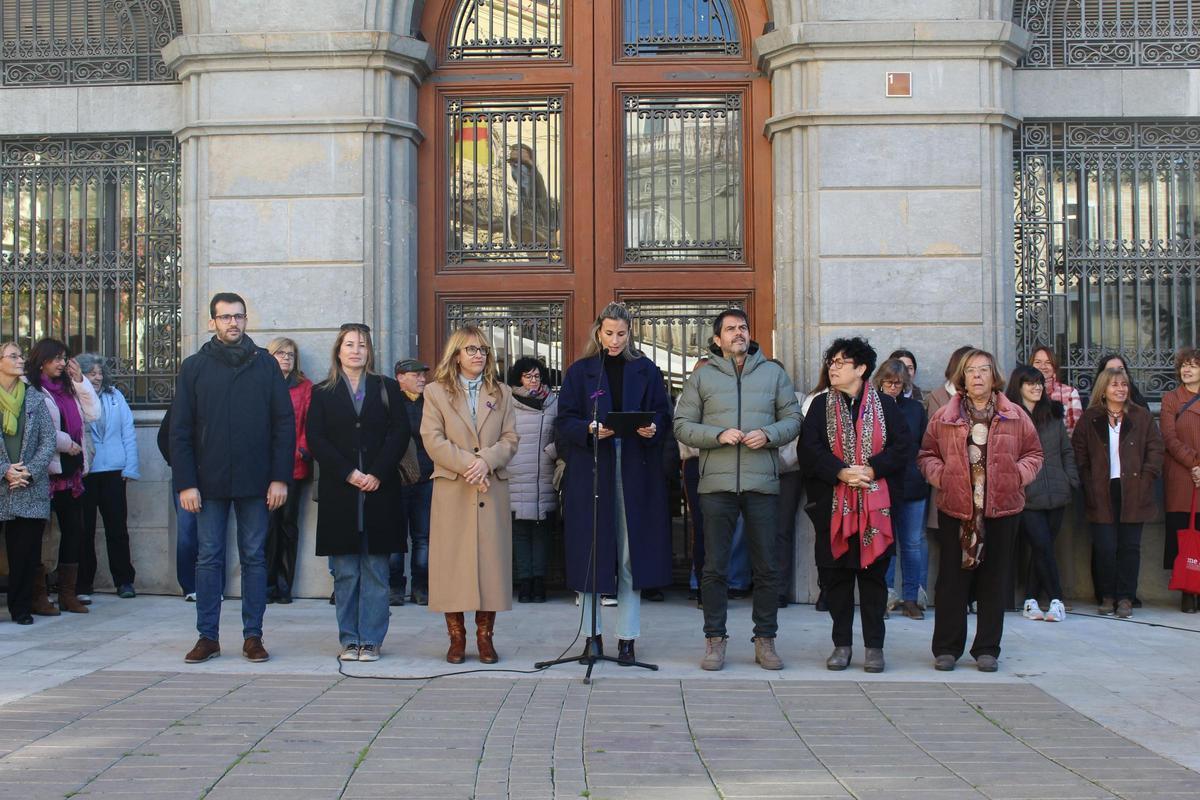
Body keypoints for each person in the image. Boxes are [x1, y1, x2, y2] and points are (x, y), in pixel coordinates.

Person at [171, 293, 295, 664]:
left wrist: (279, 478)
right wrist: (186, 483)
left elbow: (283, 425)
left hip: (257, 483)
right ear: (212, 322)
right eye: (225, 317)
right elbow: (180, 430)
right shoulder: (194, 367)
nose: (233, 323)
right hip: (208, 484)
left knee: (255, 558)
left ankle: (253, 636)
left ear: (246, 320)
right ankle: (207, 637)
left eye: (238, 316)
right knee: (208, 557)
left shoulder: (265, 366)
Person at [675, 308, 802, 671]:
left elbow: (793, 419)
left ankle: (766, 640)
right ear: (717, 339)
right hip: (715, 484)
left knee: (767, 566)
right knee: (714, 567)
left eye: (743, 327)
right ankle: (715, 639)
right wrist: (716, 436)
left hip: (761, 483)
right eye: (730, 329)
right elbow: (681, 425)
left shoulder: (773, 373)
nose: (738, 333)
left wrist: (769, 434)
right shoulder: (701, 378)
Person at [558, 303, 672, 667]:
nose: (615, 340)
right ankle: (592, 637)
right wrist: (588, 430)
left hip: (635, 469)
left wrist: (653, 428)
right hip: (593, 468)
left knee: (629, 553)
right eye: (609, 333)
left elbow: (663, 415)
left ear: (630, 333)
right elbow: (563, 422)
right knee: (593, 551)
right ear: (598, 331)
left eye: (621, 334)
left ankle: (628, 638)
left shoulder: (647, 369)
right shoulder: (581, 372)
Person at [918, 349, 1042, 672]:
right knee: (951, 581)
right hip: (957, 507)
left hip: (1001, 509)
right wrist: (942, 477)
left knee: (994, 578)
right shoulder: (945, 415)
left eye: (983, 370)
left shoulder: (1014, 414)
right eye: (970, 370)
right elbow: (926, 454)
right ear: (961, 377)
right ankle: (946, 647)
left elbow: (1034, 454)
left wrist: (1017, 475)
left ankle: (987, 648)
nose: (976, 376)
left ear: (993, 375)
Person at [800, 338, 912, 673]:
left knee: (874, 580)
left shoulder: (886, 405)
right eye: (831, 361)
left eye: (840, 362)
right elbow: (809, 449)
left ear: (861, 368)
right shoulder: (820, 406)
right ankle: (842, 645)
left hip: (876, 510)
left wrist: (873, 469)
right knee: (835, 580)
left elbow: (903, 447)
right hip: (832, 507)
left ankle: (874, 647)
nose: (832, 367)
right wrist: (841, 472)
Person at [306, 324, 410, 662]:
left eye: (362, 345)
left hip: (380, 490)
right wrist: (349, 473)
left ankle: (372, 639)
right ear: (338, 350)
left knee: (378, 571)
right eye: (349, 344)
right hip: (341, 491)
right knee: (346, 571)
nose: (355, 350)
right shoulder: (322, 392)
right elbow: (316, 439)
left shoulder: (387, 388)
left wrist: (377, 472)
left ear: (370, 351)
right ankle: (350, 639)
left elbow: (400, 432)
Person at [423, 327, 519, 664]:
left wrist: (486, 462)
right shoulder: (435, 392)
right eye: (470, 349)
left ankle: (485, 637)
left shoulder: (502, 392)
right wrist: (470, 465)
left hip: (490, 489)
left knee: (490, 565)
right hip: (454, 487)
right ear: (456, 355)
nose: (477, 355)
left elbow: (510, 439)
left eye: (482, 349)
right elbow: (432, 439)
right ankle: (456, 638)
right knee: (451, 564)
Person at [1073, 367, 1163, 619]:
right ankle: (1108, 595)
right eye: (1114, 385)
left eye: (1124, 385)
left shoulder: (1141, 416)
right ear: (1104, 389)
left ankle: (1125, 597)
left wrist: (1147, 478)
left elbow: (1155, 450)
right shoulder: (1090, 418)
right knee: (1104, 547)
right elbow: (1079, 454)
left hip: (1134, 490)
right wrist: (1088, 482)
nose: (1120, 389)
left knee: (1130, 547)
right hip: (1101, 490)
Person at [26, 339, 100, 614]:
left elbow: (94, 413)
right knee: (40, 536)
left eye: (64, 358)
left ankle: (68, 593)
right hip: (45, 472)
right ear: (41, 360)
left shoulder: (70, 387)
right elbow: (36, 428)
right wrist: (65, 442)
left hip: (72, 472)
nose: (61, 363)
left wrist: (81, 381)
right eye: (56, 358)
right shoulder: (32, 389)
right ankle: (39, 594)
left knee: (74, 532)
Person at [1006, 365, 1078, 623]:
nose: (1037, 387)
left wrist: (1069, 480)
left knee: (1041, 549)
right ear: (1019, 386)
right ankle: (1057, 598)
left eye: (1039, 383)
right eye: (1030, 383)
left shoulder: (1054, 415)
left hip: (1057, 492)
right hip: (1027, 494)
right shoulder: (1009, 417)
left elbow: (1066, 451)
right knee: (1042, 545)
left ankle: (1030, 600)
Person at [0, 341, 57, 625]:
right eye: (13, 356)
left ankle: (21, 607)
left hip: (28, 486)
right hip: (2, 483)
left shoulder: (34, 397)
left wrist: (28, 472)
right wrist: (4, 470)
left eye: (21, 355)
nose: (20, 359)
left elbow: (49, 440)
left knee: (25, 552)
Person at [77, 354, 139, 601]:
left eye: (100, 372)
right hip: (86, 472)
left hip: (114, 471)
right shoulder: (75, 397)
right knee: (84, 530)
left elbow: (128, 431)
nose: (98, 377)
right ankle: (83, 584)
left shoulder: (115, 396)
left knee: (117, 528)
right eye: (92, 373)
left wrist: (130, 469)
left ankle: (124, 581)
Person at [874, 358, 929, 620]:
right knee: (885, 543)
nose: (893, 387)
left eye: (898, 383)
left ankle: (910, 599)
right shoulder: (870, 407)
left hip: (912, 484)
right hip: (882, 483)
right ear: (879, 381)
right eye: (888, 382)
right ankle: (884, 596)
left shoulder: (916, 409)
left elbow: (924, 445)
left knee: (911, 544)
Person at [263, 337, 312, 605]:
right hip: (264, 468)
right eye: (280, 353)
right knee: (267, 528)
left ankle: (284, 586)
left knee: (288, 526)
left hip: (294, 466)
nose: (285, 358)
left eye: (290, 354)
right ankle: (266, 585)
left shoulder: (305, 387)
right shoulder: (260, 385)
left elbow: (310, 423)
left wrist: (301, 450)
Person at [506, 356, 558, 604]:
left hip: (544, 476)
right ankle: (524, 581)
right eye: (528, 376)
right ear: (518, 378)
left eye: (537, 376)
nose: (533, 381)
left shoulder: (553, 403)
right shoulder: (507, 403)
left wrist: (553, 452)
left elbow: (563, 433)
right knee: (520, 533)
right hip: (516, 475)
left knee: (541, 532)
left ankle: (540, 581)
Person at [390, 358, 434, 606]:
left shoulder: (431, 403)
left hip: (426, 476)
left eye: (422, 374)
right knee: (396, 537)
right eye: (415, 375)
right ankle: (395, 586)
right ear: (400, 377)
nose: (421, 378)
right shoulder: (391, 402)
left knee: (423, 537)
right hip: (398, 478)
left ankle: (421, 587)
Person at [1162, 348, 1200, 613]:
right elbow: (1169, 438)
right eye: (1184, 365)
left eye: (1194, 366)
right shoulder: (1171, 399)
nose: (1187, 370)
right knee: (1182, 533)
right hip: (1181, 476)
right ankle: (1187, 590)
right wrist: (1195, 465)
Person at [1031, 346, 1083, 435]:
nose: (1042, 366)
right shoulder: (1023, 391)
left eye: (1048, 362)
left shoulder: (1070, 392)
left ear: (1054, 367)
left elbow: (1075, 429)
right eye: (1037, 362)